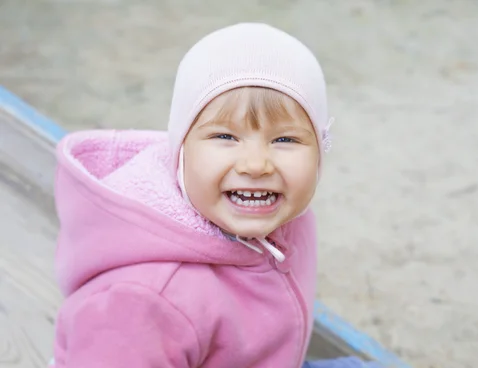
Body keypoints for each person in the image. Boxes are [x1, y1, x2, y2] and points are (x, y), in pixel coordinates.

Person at [50, 22, 381, 367]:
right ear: (181, 150)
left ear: (319, 153)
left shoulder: (282, 218)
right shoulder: (145, 300)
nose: (256, 165)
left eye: (285, 140)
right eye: (225, 137)